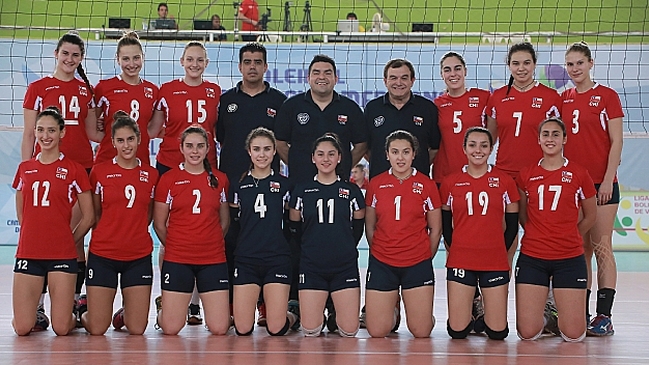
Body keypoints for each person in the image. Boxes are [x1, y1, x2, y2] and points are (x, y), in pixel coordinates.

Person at [275, 54, 367, 331]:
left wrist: (343, 165)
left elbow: (361, 143)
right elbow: (280, 142)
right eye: (316, 72)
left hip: (337, 191)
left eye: (327, 72)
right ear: (308, 77)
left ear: (335, 78)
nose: (322, 76)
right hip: (302, 188)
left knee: (338, 239)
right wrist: (301, 167)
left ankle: (335, 307)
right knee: (297, 243)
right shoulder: (292, 107)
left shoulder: (349, 108)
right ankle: (297, 302)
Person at [22, 31, 101, 331]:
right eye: (65, 53)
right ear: (56, 54)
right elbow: (30, 134)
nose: (69, 59)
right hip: (45, 172)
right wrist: (27, 171)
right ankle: (39, 305)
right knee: (44, 236)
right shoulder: (38, 87)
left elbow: (94, 134)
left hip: (80, 169)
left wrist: (129, 133)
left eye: (75, 55)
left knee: (75, 238)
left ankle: (74, 301)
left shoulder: (85, 91)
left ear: (81, 59)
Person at [148, 41, 221, 325]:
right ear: (181, 62)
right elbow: (152, 129)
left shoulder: (215, 92)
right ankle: (168, 297)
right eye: (190, 59)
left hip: (206, 166)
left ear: (206, 63)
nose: (194, 64)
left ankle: (193, 304)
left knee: (205, 228)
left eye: (199, 60)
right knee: (170, 231)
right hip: (170, 165)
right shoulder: (166, 91)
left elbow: (220, 132)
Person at [216, 42, 287, 326]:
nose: (253, 66)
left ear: (266, 66)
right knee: (232, 242)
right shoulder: (226, 101)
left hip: (269, 187)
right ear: (240, 66)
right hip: (234, 184)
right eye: (247, 61)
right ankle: (235, 305)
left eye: (258, 61)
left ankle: (268, 305)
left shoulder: (279, 101)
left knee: (271, 241)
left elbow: (282, 142)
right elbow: (221, 138)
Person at [12, 107, 94, 336]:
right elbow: (22, 213)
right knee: (22, 328)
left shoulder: (74, 170)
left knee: (61, 328)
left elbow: (88, 217)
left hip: (62, 255)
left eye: (51, 130)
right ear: (35, 132)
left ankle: (75, 312)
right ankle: (32, 312)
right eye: (40, 130)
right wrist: (31, 233)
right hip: (29, 252)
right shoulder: (25, 169)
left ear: (62, 133)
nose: (45, 136)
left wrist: (70, 240)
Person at [561, 41, 624, 336]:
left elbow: (616, 141)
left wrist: (609, 178)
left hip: (601, 183)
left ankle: (604, 315)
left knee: (601, 246)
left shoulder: (607, 96)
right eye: (570, 64)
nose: (575, 69)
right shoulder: (564, 98)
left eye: (579, 63)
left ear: (591, 63)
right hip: (574, 186)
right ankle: (581, 313)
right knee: (580, 250)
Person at [515, 117, 597, 342]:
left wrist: (570, 235)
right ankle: (546, 316)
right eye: (546, 134)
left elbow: (591, 215)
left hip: (569, 257)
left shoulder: (579, 174)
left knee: (573, 335)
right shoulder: (526, 174)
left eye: (555, 134)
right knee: (527, 333)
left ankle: (556, 310)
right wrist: (537, 234)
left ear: (564, 139)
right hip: (533, 256)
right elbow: (523, 214)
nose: (550, 139)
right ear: (539, 139)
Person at [77, 112, 158, 335]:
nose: (126, 145)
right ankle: (83, 310)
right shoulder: (100, 172)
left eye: (130, 139)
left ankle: (126, 312)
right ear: (112, 142)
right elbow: (95, 213)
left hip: (138, 256)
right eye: (120, 140)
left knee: (137, 329)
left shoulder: (151, 175)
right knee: (97, 328)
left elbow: (148, 214)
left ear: (139, 139)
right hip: (104, 255)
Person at [485, 42, 562, 269]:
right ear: (508, 66)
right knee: (504, 236)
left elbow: (559, 139)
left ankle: (546, 293)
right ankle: (498, 286)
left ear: (534, 65)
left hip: (537, 176)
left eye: (526, 63)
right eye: (516, 63)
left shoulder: (550, 97)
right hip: (505, 174)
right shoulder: (497, 97)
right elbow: (489, 139)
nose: (521, 68)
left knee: (538, 233)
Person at [439, 127, 519, 340]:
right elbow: (446, 223)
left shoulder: (504, 181)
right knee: (456, 332)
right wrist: (454, 248)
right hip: (461, 259)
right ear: (464, 148)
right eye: (472, 145)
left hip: (494, 260)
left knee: (498, 333)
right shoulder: (450, 182)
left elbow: (512, 225)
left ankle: (483, 312)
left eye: (484, 146)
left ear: (491, 149)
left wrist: (501, 251)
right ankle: (470, 309)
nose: (478, 150)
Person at [152, 126, 230, 335]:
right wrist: (177, 247)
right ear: (181, 148)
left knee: (220, 328)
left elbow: (224, 221)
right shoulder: (169, 179)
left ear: (207, 149)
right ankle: (164, 307)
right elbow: (158, 223)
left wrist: (209, 243)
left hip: (212, 259)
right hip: (178, 259)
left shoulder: (220, 179)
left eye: (200, 146)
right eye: (189, 146)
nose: (194, 151)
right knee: (171, 328)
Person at [364, 130, 442, 338]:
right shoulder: (376, 184)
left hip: (417, 262)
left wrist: (425, 256)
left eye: (406, 152)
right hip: (383, 262)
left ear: (414, 154)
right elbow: (370, 226)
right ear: (387, 154)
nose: (400, 158)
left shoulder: (427, 184)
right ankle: (392, 308)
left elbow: (435, 229)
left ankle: (423, 314)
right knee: (377, 331)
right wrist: (382, 251)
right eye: (395, 152)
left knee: (421, 331)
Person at [288, 133, 365, 337]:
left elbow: (358, 227)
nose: (326, 159)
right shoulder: (302, 191)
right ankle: (316, 313)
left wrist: (344, 245)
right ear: (313, 158)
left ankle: (334, 315)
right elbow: (294, 228)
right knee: (311, 331)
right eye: (320, 154)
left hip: (344, 266)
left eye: (331, 154)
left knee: (349, 331)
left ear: (339, 157)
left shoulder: (351, 192)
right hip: (312, 267)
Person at [229, 127, 298, 336]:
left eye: (267, 149)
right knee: (242, 329)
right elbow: (233, 226)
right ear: (249, 151)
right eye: (257, 149)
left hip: (276, 260)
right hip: (246, 260)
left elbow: (292, 225)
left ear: (275, 151)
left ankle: (294, 315)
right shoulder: (239, 186)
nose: (262, 154)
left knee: (276, 328)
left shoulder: (285, 186)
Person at [364, 58, 439, 179]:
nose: (398, 83)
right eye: (393, 78)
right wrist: (384, 164)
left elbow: (435, 148)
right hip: (381, 183)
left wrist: (414, 165)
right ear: (385, 81)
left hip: (417, 183)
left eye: (404, 78)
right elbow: (365, 148)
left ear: (412, 81)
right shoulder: (372, 108)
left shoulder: (427, 108)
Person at [94, 31, 159, 165]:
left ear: (143, 57)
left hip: (140, 161)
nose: (131, 64)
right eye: (125, 59)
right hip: (108, 161)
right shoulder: (104, 87)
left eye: (136, 58)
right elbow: (91, 123)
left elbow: (153, 128)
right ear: (117, 59)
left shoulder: (153, 90)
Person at [433, 52, 490, 183]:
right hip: (444, 174)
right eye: (447, 70)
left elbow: (493, 131)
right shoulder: (437, 104)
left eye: (457, 68)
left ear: (465, 71)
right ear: (442, 75)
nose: (453, 74)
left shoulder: (483, 98)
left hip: (476, 173)